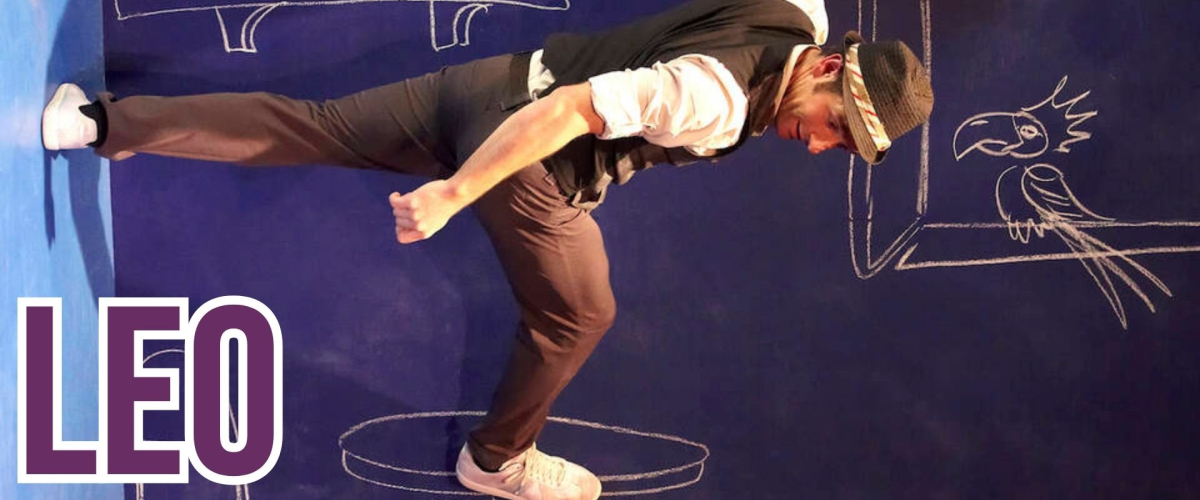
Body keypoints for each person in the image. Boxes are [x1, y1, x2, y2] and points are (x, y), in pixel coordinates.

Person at [42, 0, 932, 498]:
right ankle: (496, 462)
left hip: (485, 88)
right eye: (834, 127)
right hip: (525, 154)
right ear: (826, 70)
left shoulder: (797, 10)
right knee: (582, 311)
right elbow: (567, 113)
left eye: (841, 148)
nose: (819, 146)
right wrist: (454, 192)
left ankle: (94, 123)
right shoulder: (713, 99)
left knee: (305, 124)